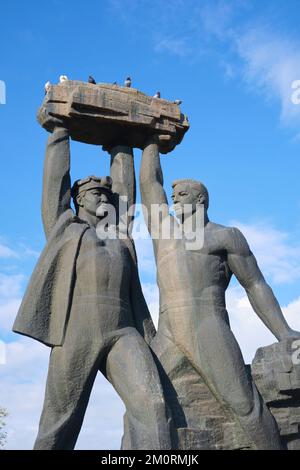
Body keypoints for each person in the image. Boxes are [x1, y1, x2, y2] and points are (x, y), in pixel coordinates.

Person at [13, 119, 171, 450]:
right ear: (79, 200)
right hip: (76, 330)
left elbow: (125, 193)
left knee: (154, 407)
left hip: (124, 330)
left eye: (105, 193)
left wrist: (123, 142)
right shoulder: (65, 228)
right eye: (95, 193)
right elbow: (55, 188)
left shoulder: (119, 233)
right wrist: (60, 133)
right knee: (59, 421)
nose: (104, 197)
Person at [139, 135, 300, 450]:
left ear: (200, 199)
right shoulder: (164, 232)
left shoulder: (225, 236)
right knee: (145, 401)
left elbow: (255, 285)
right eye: (173, 195)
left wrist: (284, 332)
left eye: (182, 194)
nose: (174, 200)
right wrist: (149, 139)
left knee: (243, 402)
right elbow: (149, 185)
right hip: (168, 331)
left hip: (207, 323)